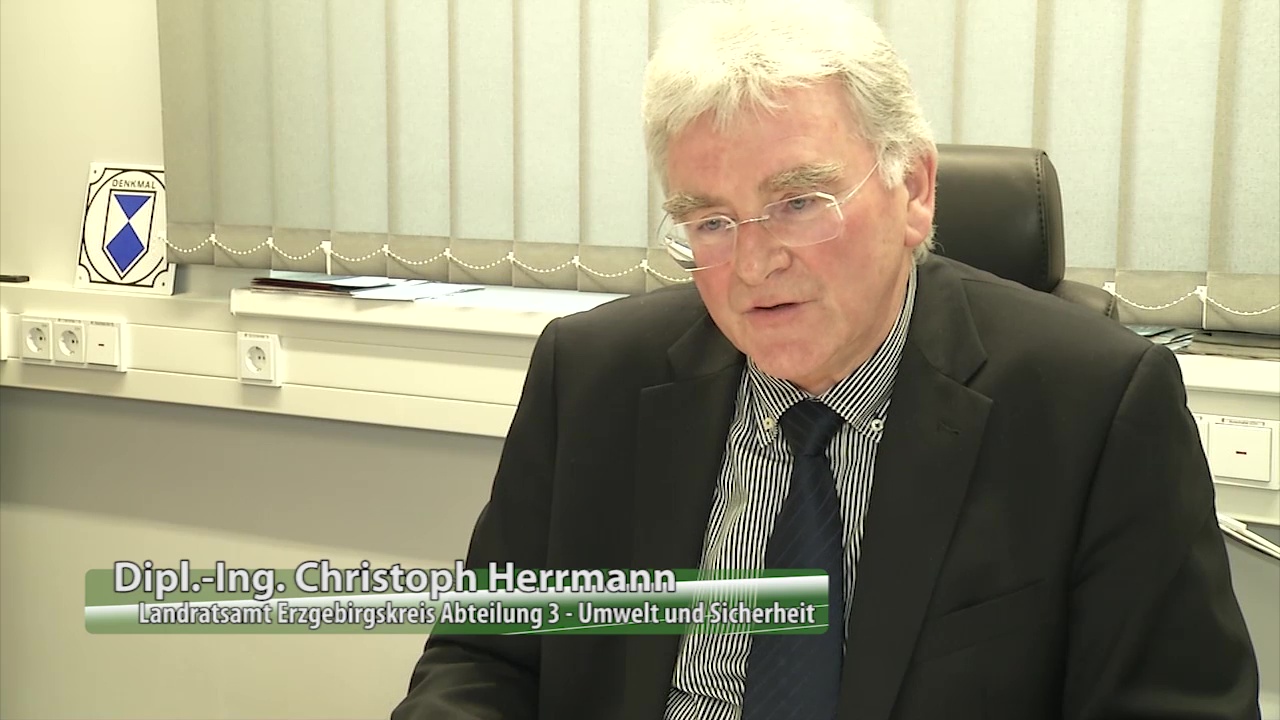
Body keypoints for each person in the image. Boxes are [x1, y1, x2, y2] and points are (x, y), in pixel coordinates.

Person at [391, 1, 1261, 718]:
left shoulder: (1094, 408)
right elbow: (484, 659)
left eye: (799, 202)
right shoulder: (593, 377)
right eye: (710, 221)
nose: (753, 263)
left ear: (914, 190)